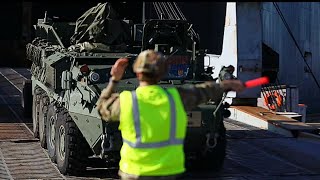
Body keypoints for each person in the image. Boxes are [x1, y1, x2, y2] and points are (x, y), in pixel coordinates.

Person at [97, 50, 245, 180]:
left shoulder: (126, 101)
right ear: (162, 74)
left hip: (134, 173)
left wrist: (114, 79)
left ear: (138, 72)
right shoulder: (177, 98)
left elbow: (102, 108)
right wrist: (225, 85)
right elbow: (203, 91)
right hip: (167, 172)